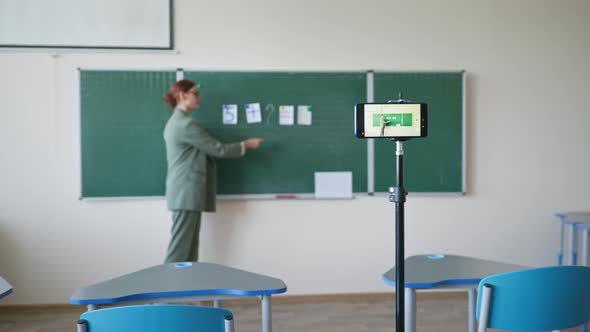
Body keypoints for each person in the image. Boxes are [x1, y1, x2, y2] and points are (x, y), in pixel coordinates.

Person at [162, 79, 263, 263]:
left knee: (189, 247)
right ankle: (168, 290)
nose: (199, 98)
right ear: (183, 96)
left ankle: (186, 289)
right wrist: (245, 145)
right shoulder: (186, 125)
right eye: (195, 93)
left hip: (186, 192)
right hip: (186, 191)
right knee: (180, 249)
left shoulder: (179, 122)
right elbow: (219, 149)